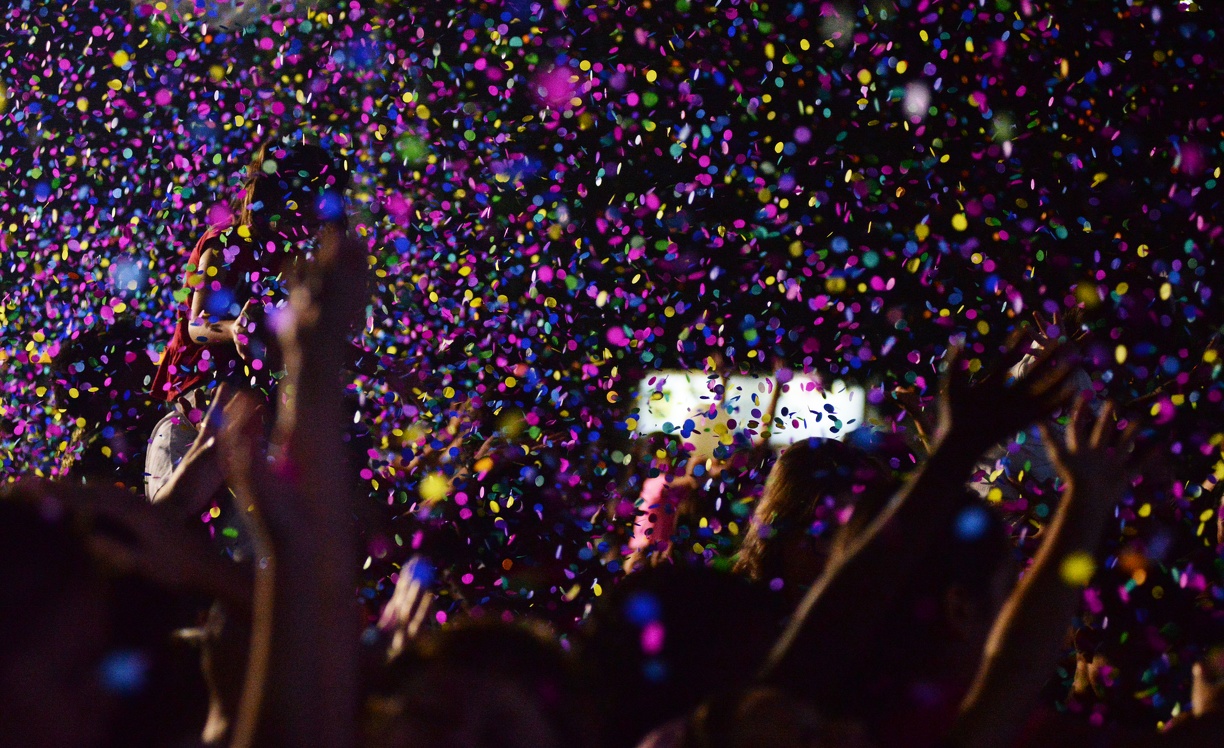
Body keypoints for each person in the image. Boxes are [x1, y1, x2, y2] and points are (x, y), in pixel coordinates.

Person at [145, 135, 350, 503]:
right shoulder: (225, 244)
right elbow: (198, 324)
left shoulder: (296, 260)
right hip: (201, 401)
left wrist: (387, 370)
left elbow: (307, 338)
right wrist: (234, 329)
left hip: (255, 411)